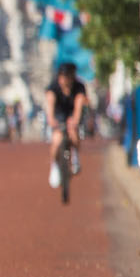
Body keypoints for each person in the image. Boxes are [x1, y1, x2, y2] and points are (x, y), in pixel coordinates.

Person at [45, 61, 88, 189]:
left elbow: (80, 103)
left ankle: (75, 157)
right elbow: (50, 103)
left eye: (67, 77)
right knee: (56, 140)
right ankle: (54, 166)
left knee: (74, 135)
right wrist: (51, 119)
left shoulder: (79, 87)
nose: (64, 80)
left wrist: (75, 120)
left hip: (72, 115)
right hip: (59, 116)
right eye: (62, 76)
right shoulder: (53, 88)